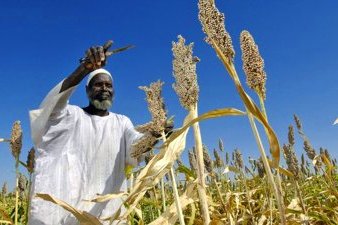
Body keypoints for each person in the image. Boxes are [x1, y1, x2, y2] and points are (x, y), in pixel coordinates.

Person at [28, 42, 151, 224]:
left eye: (108, 85)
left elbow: (136, 147)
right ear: (86, 90)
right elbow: (51, 108)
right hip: (69, 216)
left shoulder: (122, 122)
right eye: (98, 84)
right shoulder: (72, 116)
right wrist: (84, 68)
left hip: (109, 215)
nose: (104, 89)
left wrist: (154, 136)